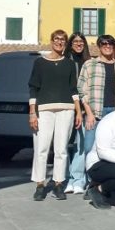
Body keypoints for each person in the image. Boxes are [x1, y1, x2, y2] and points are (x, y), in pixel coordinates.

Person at [28, 29, 82, 201]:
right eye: (57, 39)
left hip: (66, 109)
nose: (59, 42)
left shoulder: (69, 64)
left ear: (65, 44)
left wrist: (78, 111)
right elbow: (33, 88)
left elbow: (74, 90)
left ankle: (59, 184)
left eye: (63, 40)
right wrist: (32, 113)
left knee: (61, 149)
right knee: (41, 148)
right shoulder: (39, 62)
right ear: (51, 41)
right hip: (43, 110)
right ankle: (40, 184)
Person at [78, 35, 115, 192]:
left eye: (110, 44)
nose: (107, 46)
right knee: (89, 149)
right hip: (95, 113)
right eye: (104, 43)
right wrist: (89, 113)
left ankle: (103, 183)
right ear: (99, 46)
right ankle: (91, 182)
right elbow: (81, 89)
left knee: (112, 151)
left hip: (114, 115)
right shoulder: (89, 65)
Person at [64, 32, 91, 195]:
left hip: (83, 107)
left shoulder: (89, 62)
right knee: (65, 145)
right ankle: (67, 178)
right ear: (70, 43)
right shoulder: (65, 61)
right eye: (75, 41)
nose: (79, 44)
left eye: (81, 41)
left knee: (81, 145)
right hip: (66, 107)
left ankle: (78, 179)